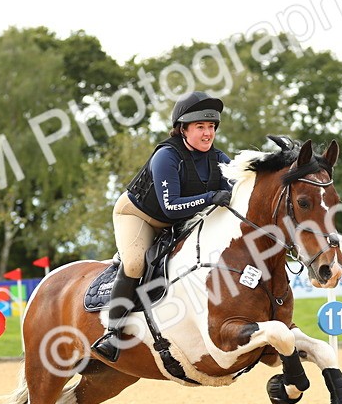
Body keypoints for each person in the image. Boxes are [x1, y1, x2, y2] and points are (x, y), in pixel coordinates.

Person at [91, 90, 235, 361]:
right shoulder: (167, 157)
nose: (208, 133)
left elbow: (237, 187)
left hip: (177, 220)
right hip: (139, 215)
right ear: (183, 129)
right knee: (135, 264)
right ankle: (112, 332)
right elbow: (171, 206)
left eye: (211, 127)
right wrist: (210, 197)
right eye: (200, 127)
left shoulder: (218, 158)